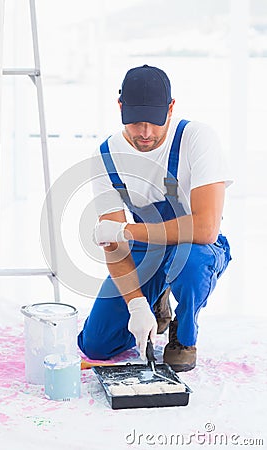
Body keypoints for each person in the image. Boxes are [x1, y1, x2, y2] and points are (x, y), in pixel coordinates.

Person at [78, 64, 232, 372]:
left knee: (192, 261)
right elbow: (114, 243)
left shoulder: (196, 138)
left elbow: (205, 228)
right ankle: (154, 302)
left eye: (155, 121)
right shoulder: (106, 156)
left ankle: (184, 335)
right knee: (96, 344)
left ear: (171, 108)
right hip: (143, 253)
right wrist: (136, 304)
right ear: (120, 107)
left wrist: (127, 231)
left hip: (194, 248)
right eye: (135, 121)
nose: (145, 132)